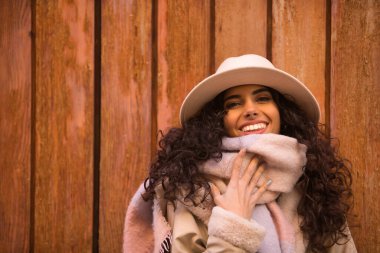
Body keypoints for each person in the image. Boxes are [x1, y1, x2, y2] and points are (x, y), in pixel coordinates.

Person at [123, 54, 357, 253]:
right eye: (234, 104)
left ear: (283, 112)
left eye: (263, 98)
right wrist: (232, 226)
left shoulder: (315, 188)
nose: (251, 110)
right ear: (216, 121)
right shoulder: (191, 191)